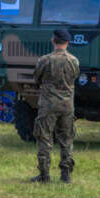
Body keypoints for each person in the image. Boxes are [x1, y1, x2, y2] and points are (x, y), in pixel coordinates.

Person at [32, 28, 80, 183]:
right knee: (66, 138)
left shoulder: (45, 60)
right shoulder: (74, 61)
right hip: (67, 105)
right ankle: (65, 174)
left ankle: (44, 175)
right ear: (67, 42)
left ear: (53, 40)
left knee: (44, 138)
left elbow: (36, 79)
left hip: (48, 104)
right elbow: (75, 78)